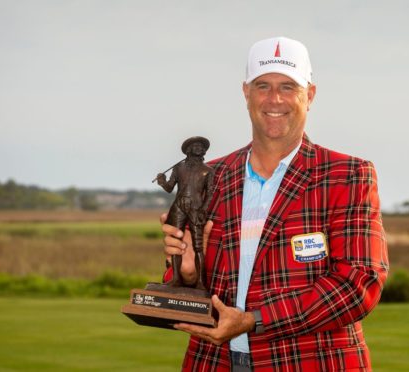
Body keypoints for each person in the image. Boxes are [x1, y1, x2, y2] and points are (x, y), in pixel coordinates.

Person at [160, 36, 389, 371]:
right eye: (263, 85)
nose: (274, 98)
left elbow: (358, 283)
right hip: (213, 362)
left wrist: (254, 320)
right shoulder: (215, 175)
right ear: (246, 93)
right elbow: (193, 287)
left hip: (312, 361)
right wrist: (189, 272)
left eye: (288, 86)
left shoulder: (348, 175)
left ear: (309, 95)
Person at [156, 136, 214, 290]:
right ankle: (175, 278)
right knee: (176, 243)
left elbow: (210, 193)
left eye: (202, 147)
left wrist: (203, 209)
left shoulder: (208, 171)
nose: (200, 148)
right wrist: (162, 181)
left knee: (198, 246)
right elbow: (169, 188)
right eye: (196, 146)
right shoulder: (179, 168)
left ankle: (201, 282)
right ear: (188, 150)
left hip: (196, 208)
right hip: (179, 206)